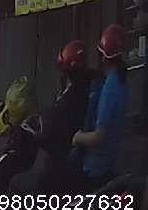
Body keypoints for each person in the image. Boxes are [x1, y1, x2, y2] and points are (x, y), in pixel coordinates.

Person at [71, 24, 131, 192]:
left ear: (103, 57)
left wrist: (77, 137)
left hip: (93, 169)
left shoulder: (110, 88)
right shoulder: (122, 83)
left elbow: (98, 137)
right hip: (109, 162)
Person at [37, 40, 96, 194]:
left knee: (39, 187)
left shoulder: (73, 94)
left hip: (65, 152)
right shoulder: (89, 83)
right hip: (74, 147)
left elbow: (53, 121)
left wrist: (40, 127)